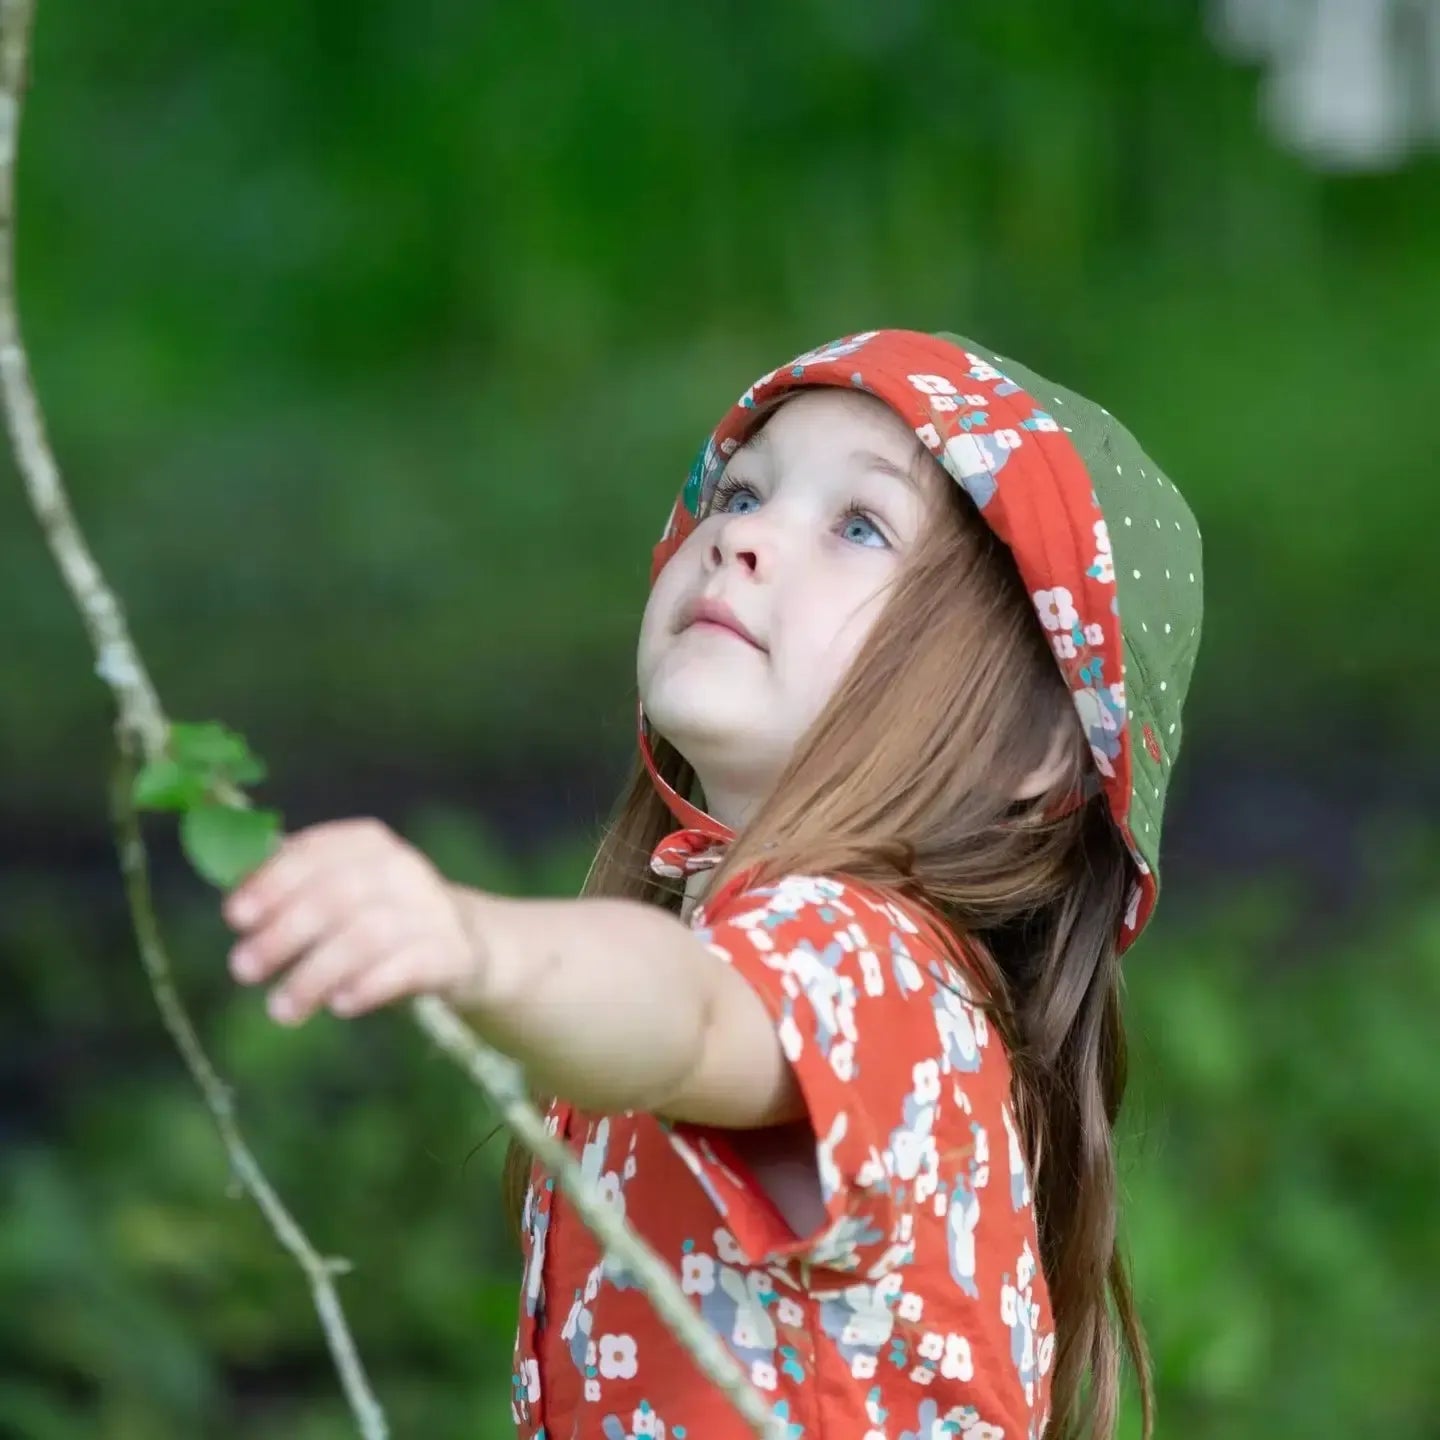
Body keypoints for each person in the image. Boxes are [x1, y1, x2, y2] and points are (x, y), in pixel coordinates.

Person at [222, 328, 1204, 1440]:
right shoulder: (809, 950)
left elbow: (689, 1012)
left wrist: (474, 941)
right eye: (740, 492)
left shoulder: (873, 960)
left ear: (1037, 746)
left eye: (860, 526)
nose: (742, 537)